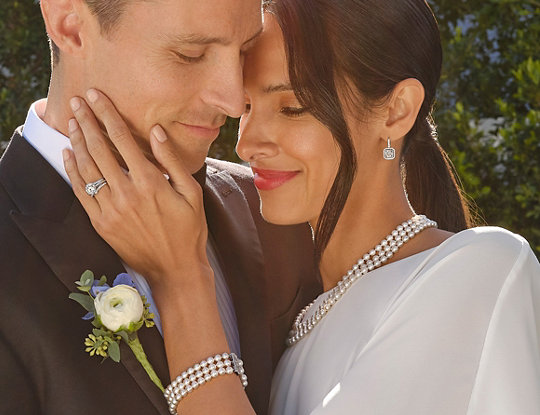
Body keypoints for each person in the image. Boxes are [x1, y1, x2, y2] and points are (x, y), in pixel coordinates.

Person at [63, 0, 540, 414]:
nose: (246, 144)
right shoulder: (298, 319)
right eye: (246, 108)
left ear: (395, 112)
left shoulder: (484, 269)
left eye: (292, 108)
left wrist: (182, 281)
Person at [0, 1, 320, 413]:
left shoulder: (279, 215)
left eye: (245, 49)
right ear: (70, 24)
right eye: (190, 54)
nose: (231, 99)